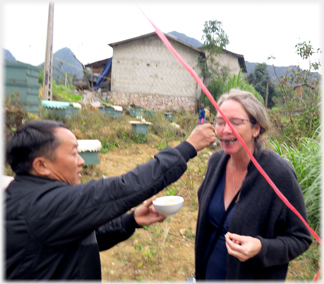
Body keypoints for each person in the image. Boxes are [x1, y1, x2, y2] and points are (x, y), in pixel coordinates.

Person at [5, 119, 216, 280]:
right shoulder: (42, 206)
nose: (81, 161)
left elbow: (84, 237)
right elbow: (124, 188)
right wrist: (188, 147)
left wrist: (131, 220)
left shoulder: (29, 197)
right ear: (41, 165)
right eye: (73, 153)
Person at [194, 89, 312, 280]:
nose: (225, 130)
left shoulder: (278, 174)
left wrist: (261, 248)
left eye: (235, 122)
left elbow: (301, 238)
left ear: (256, 129)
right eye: (220, 121)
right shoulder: (216, 162)